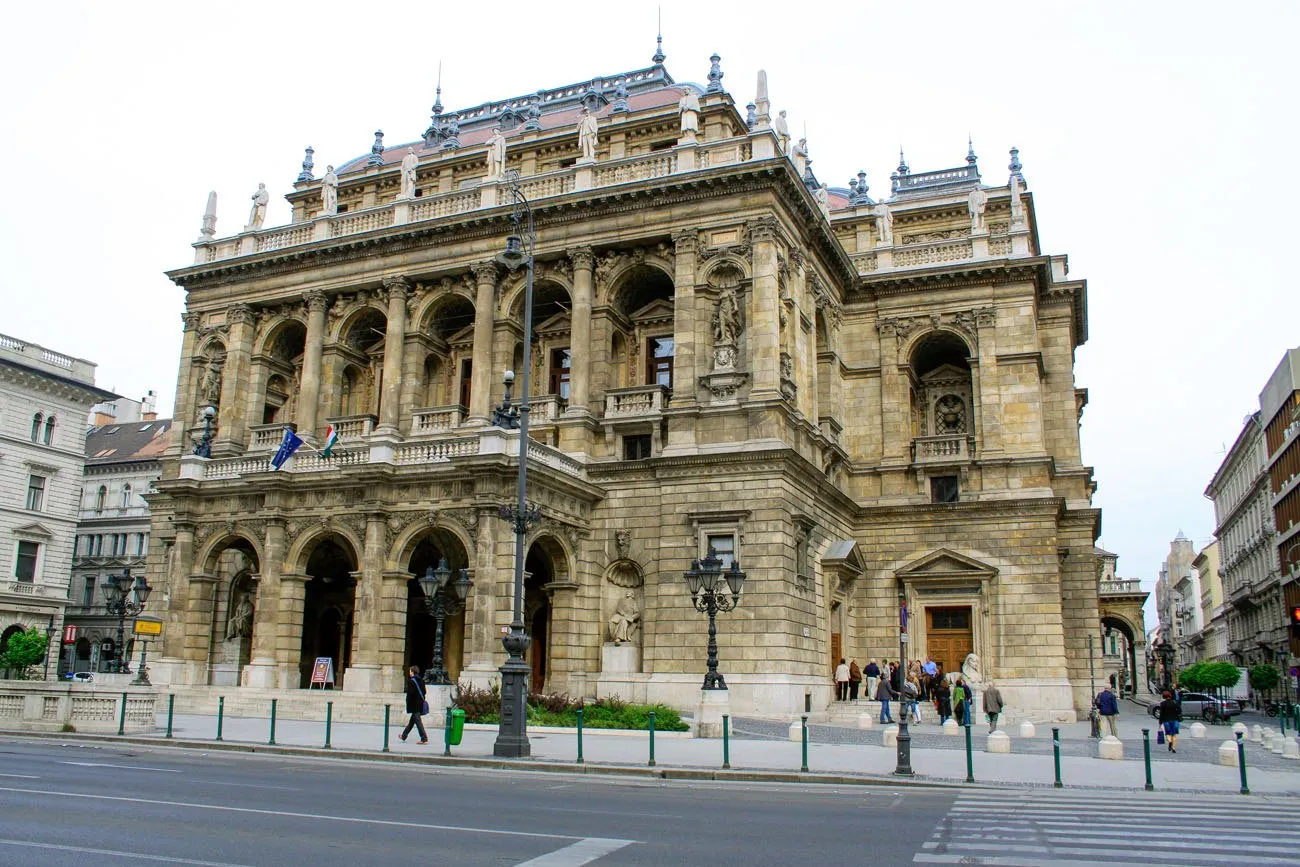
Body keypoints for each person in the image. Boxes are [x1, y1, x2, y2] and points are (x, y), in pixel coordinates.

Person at [401, 665, 429, 744]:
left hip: (414, 704)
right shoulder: (421, 680)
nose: (409, 673)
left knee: (418, 722)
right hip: (420, 703)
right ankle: (404, 735)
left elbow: (410, 694)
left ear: (412, 672)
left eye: (410, 671)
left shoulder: (411, 681)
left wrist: (408, 703)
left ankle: (424, 738)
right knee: (412, 721)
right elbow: (424, 691)